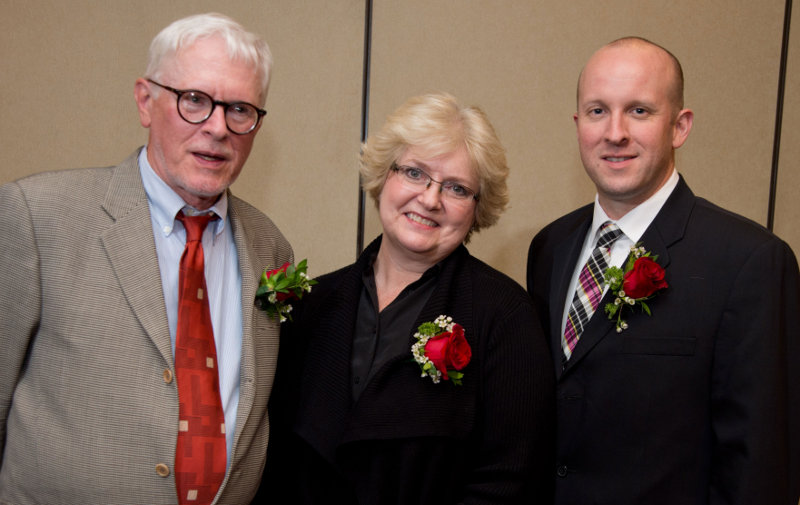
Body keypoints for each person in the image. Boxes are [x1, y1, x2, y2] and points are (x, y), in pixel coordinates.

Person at [0, 13, 293, 504]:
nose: (218, 128)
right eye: (195, 100)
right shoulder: (38, 217)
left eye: (240, 109)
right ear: (145, 100)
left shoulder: (270, 248)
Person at [527, 36, 800, 504]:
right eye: (597, 111)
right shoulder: (550, 247)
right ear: (577, 124)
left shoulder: (750, 261)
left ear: (680, 125)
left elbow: (761, 468)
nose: (614, 132)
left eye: (639, 111)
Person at [259, 93, 555, 504]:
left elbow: (512, 481)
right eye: (414, 173)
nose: (430, 200)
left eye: (456, 188)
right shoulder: (313, 304)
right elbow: (272, 457)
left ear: (477, 208)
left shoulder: (506, 316)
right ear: (384, 176)